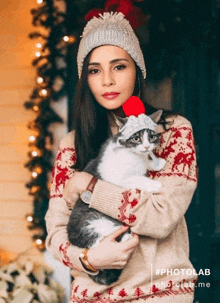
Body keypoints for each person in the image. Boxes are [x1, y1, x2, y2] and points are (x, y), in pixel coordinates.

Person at [45, 12, 198, 303]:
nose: (107, 80)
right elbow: (55, 233)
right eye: (94, 70)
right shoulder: (71, 145)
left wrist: (91, 187)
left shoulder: (173, 130)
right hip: (92, 296)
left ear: (137, 70)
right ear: (84, 79)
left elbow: (160, 217)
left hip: (160, 295)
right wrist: (89, 259)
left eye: (119, 66)